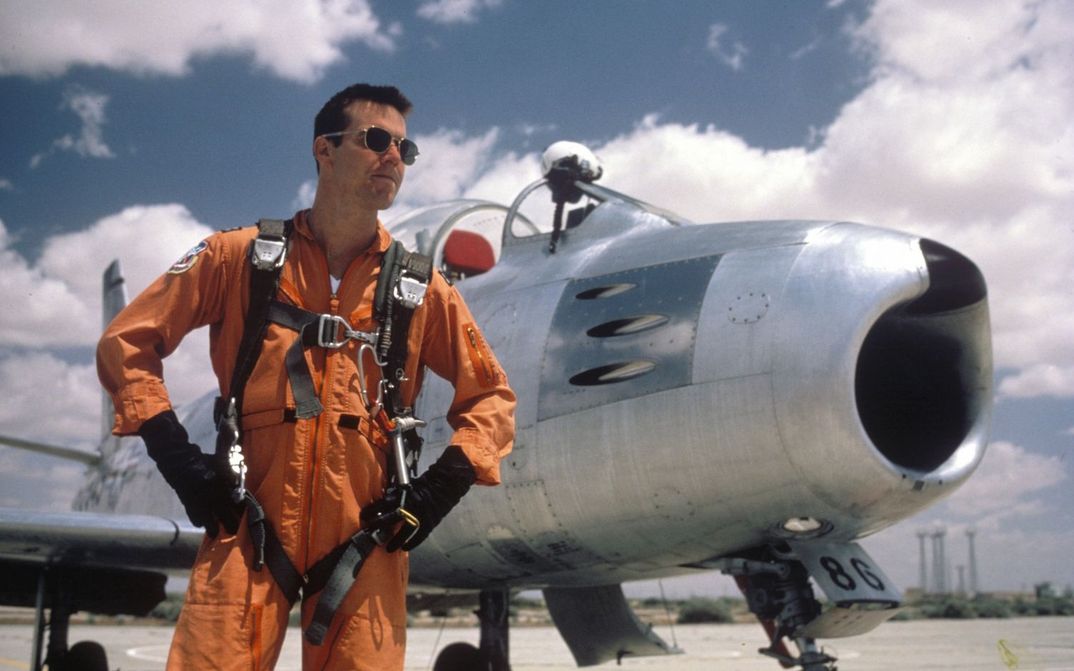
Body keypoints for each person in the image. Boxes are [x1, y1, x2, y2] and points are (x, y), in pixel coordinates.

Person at [97, 83, 516, 670]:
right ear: (324, 149)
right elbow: (127, 342)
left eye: (405, 148)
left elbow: (491, 397)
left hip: (365, 531)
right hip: (247, 516)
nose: (394, 157)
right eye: (376, 140)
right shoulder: (235, 257)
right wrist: (180, 461)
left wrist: (436, 491)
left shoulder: (422, 291)